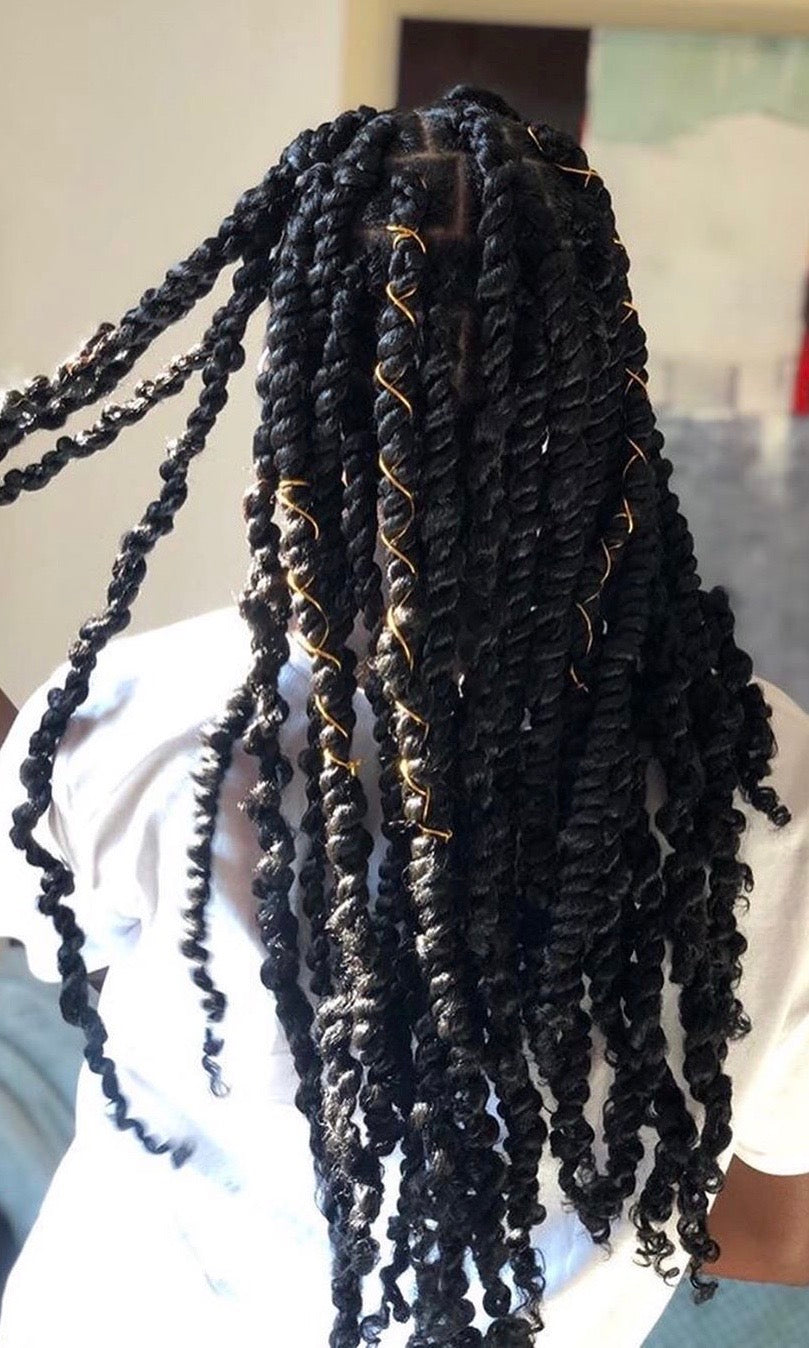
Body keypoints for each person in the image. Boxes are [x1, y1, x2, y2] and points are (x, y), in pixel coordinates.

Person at [0, 85, 807, 1348]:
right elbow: (783, 1227)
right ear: (604, 401)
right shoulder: (763, 776)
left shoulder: (139, 722)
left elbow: (65, 940)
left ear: (298, 409)